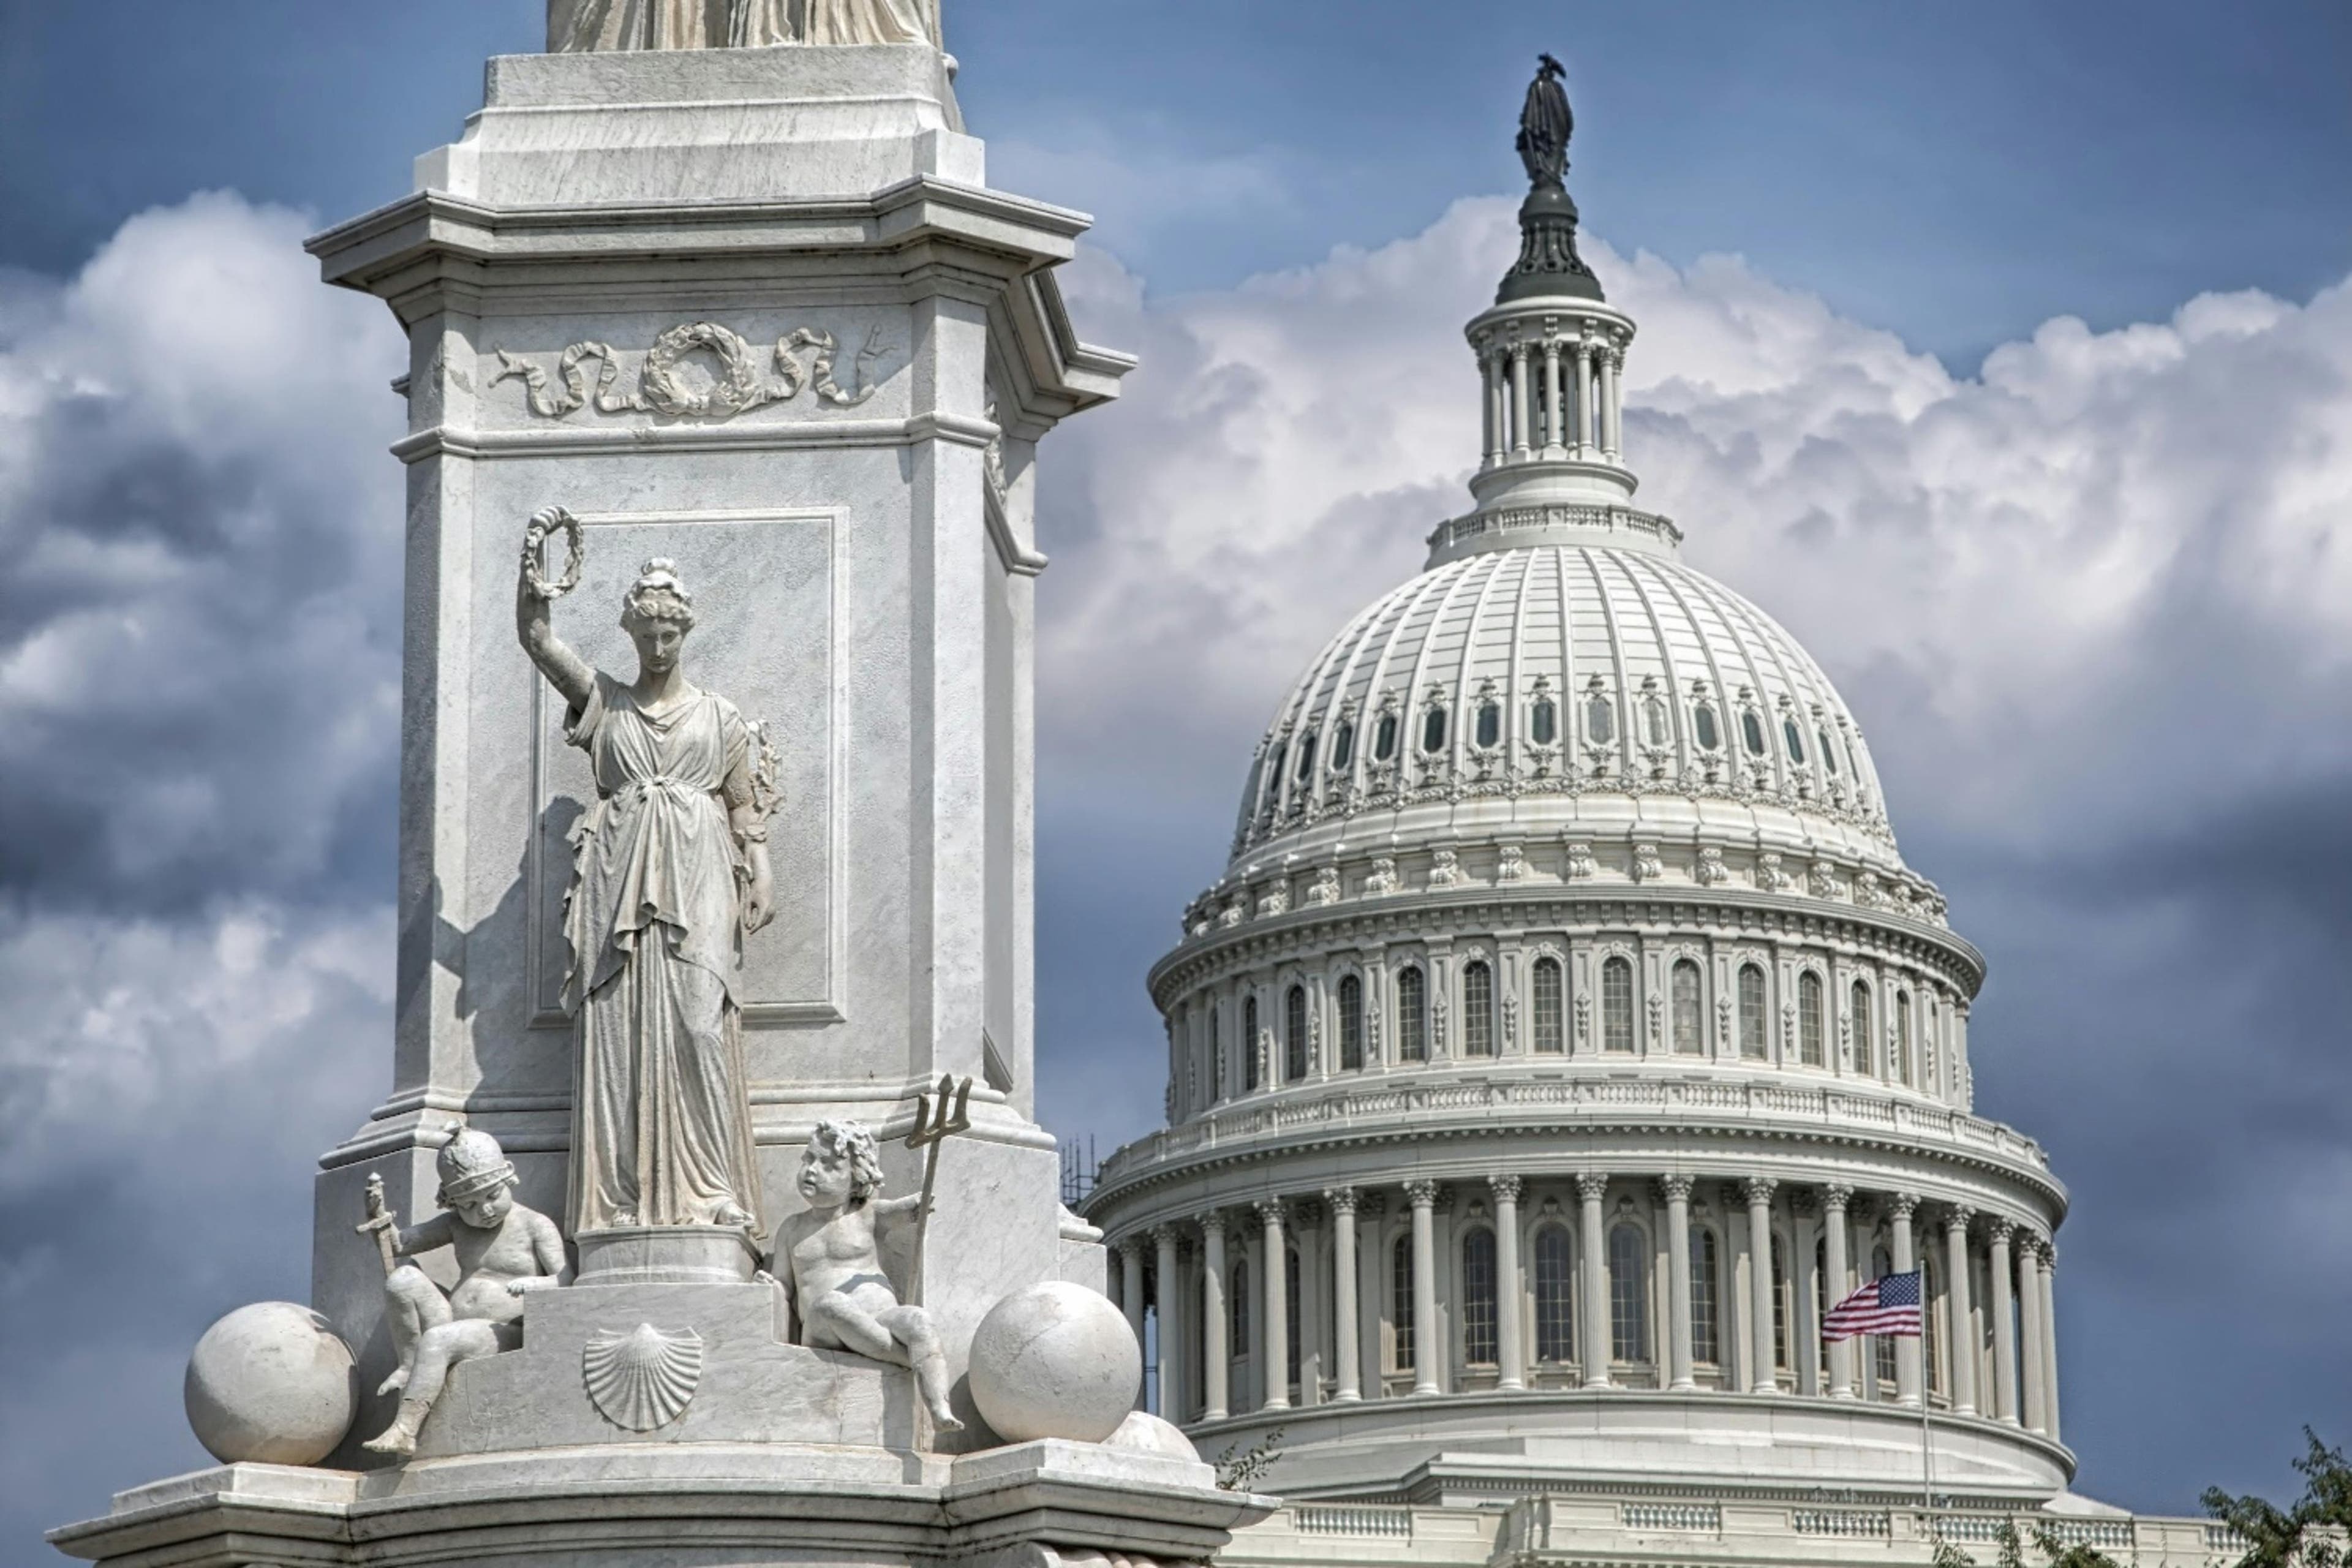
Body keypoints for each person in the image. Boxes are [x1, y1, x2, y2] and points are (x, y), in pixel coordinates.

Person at [517, 512, 775, 1235]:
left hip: (699, 869)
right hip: (619, 872)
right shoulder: (607, 704)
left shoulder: (720, 717)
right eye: (647, 637)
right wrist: (532, 574)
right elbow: (537, 641)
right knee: (622, 1032)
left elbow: (746, 806)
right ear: (631, 635)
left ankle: (711, 1185)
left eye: (669, 636)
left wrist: (761, 870)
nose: (659, 648)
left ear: (685, 633)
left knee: (700, 1022)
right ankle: (624, 1193)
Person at [359, 1130, 567, 1457]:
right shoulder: (457, 1224)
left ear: (509, 1177)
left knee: (440, 1340)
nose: (483, 1210)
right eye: (469, 1205)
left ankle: (405, 1429)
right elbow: (400, 1245)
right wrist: (378, 1217)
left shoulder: (535, 1225)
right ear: (453, 1202)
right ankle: (408, 1365)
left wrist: (537, 1284)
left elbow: (567, 1279)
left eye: (492, 1196)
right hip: (452, 1320)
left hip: (504, 1332)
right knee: (403, 1279)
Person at [771, 1119, 962, 1431]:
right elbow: (783, 1283)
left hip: (879, 1315)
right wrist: (770, 1285)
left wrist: (919, 1204)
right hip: (823, 1327)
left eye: (829, 1165)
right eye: (809, 1159)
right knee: (833, 1303)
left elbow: (906, 1208)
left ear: (856, 1179)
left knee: (918, 1320)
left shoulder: (867, 1215)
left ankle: (940, 1408)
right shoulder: (792, 1228)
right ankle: (904, 1358)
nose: (812, 1170)